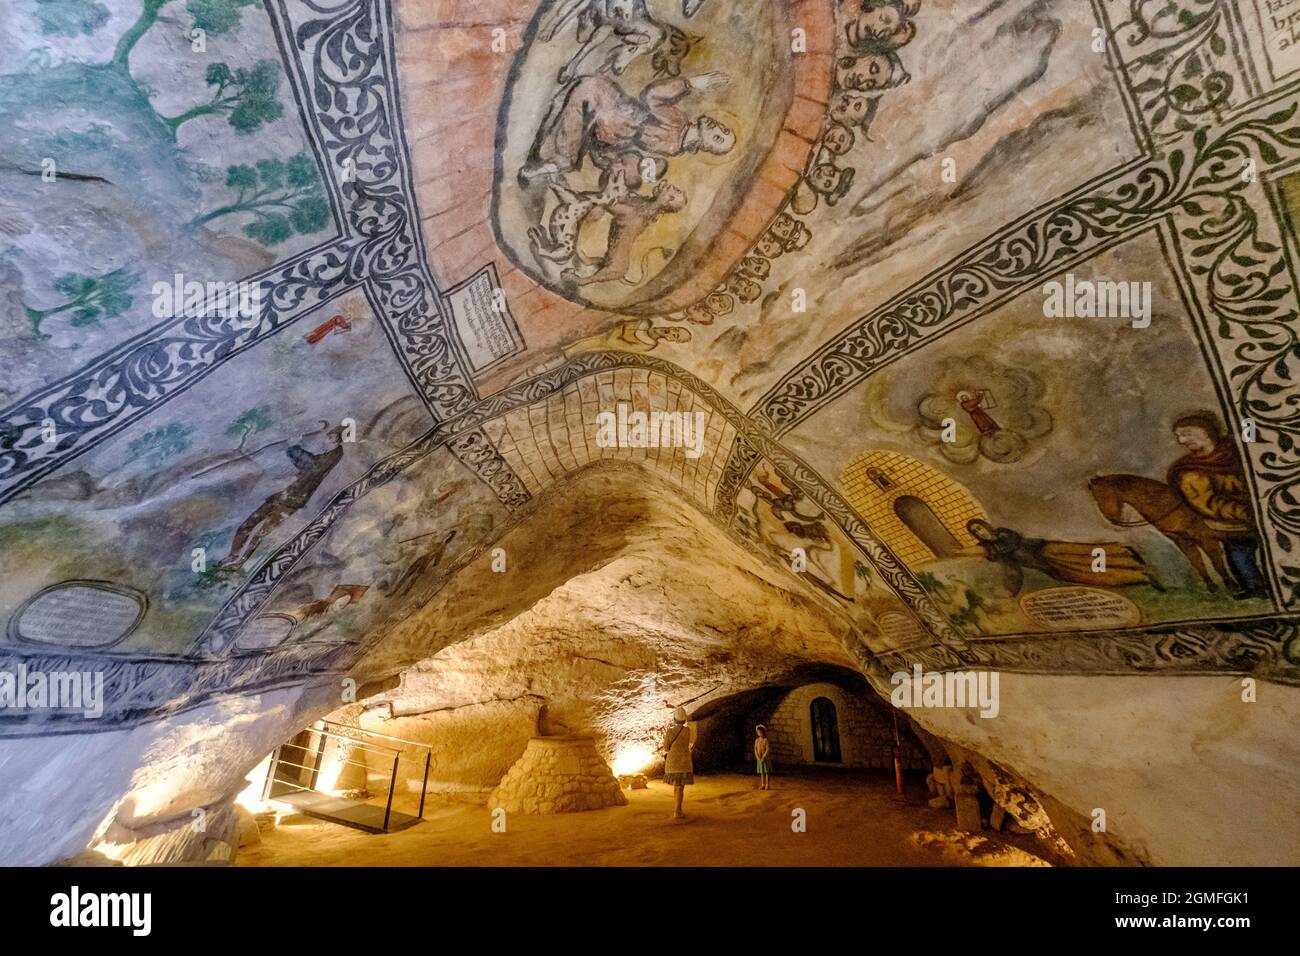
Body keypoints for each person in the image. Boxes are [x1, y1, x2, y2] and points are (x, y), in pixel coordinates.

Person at [1167, 411, 1267, 598]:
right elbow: (1209, 503)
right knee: (1239, 553)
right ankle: (1256, 588)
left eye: (1186, 433)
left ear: (1206, 431)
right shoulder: (1188, 471)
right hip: (1236, 521)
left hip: (1269, 510)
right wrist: (1250, 513)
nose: (1181, 441)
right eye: (1178, 436)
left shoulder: (1238, 450)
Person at [661, 706, 694, 819]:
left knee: (676, 786)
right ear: (684, 719)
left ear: (674, 719)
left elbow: (666, 748)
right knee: (681, 787)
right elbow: (690, 743)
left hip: (673, 762)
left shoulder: (670, 731)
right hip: (684, 762)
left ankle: (677, 809)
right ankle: (677, 811)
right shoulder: (688, 731)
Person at [754, 724, 772, 790]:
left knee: (766, 772)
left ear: (763, 732)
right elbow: (755, 749)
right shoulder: (757, 740)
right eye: (758, 732)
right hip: (759, 759)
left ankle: (767, 784)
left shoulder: (766, 740)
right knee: (762, 772)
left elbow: (767, 749)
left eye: (760, 732)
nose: (759, 733)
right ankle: (762, 784)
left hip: (765, 759)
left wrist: (764, 757)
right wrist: (757, 757)